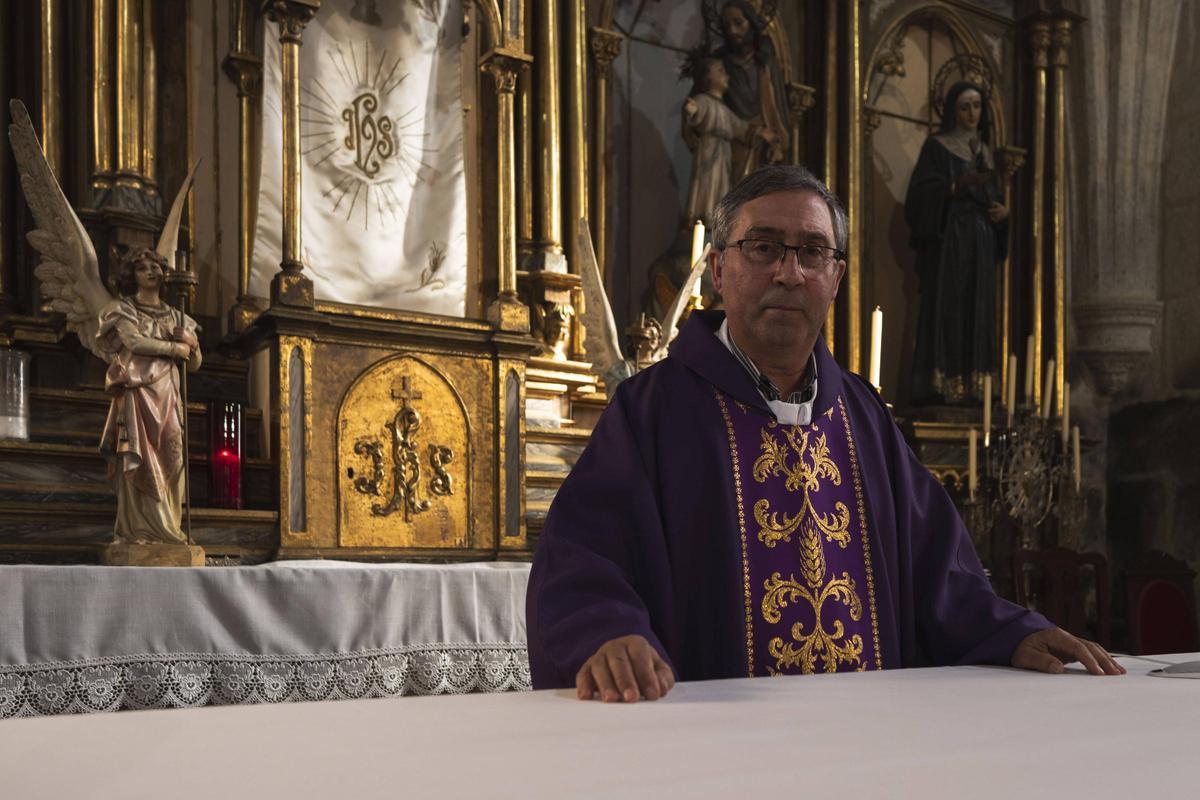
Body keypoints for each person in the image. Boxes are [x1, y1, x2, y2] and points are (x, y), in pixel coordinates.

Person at [526, 165, 1123, 703]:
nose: (789, 272)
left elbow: (942, 574)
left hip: (863, 739)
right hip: (713, 748)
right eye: (763, 248)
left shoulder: (865, 418)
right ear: (718, 268)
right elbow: (582, 557)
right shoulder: (653, 410)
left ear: (834, 277)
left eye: (813, 252)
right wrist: (607, 631)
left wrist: (1014, 633)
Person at [905, 81, 1008, 404]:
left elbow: (994, 196)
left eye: (977, 106)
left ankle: (977, 385)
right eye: (965, 107)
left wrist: (1002, 212)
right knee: (950, 306)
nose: (972, 113)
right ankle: (943, 383)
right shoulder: (938, 147)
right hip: (951, 243)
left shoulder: (985, 151)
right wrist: (952, 187)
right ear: (953, 111)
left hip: (980, 242)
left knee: (978, 309)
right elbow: (918, 199)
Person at [97, 248, 202, 544]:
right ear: (133, 276)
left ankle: (170, 526)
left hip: (168, 392)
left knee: (173, 456)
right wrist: (173, 348)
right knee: (139, 457)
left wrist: (191, 342)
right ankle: (137, 530)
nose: (151, 272)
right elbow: (133, 340)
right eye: (143, 268)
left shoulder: (176, 315)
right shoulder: (123, 309)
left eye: (156, 266)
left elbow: (194, 363)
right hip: (137, 392)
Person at [683, 56, 777, 230]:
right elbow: (696, 111)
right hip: (708, 152)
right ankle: (702, 222)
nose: (726, 76)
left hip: (723, 155)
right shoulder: (704, 100)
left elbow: (740, 127)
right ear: (708, 77)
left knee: (721, 188)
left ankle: (717, 223)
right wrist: (692, 111)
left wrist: (761, 133)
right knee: (707, 185)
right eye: (720, 71)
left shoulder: (725, 110)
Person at [712, 0, 787, 178]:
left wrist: (777, 142)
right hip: (729, 148)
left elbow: (779, 113)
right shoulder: (717, 64)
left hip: (763, 147)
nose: (732, 31)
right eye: (726, 25)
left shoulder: (765, 64)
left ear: (751, 23)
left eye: (738, 23)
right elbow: (704, 107)